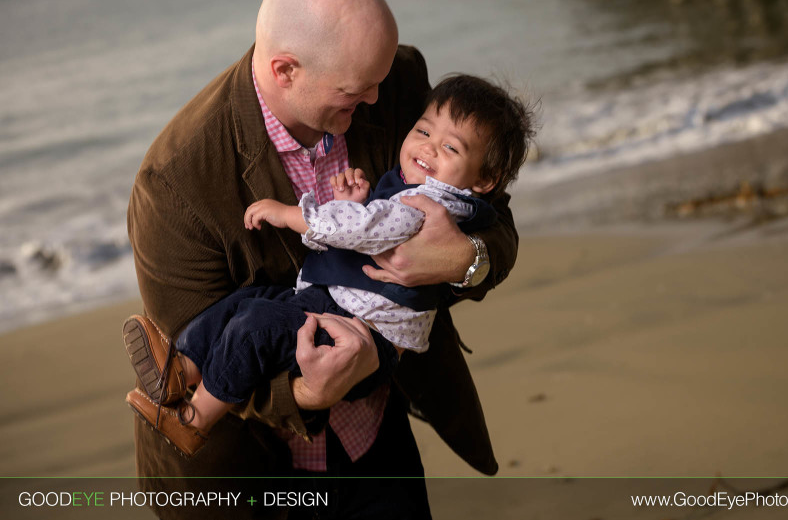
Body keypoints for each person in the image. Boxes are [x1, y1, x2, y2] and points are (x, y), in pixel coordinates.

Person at [125, 0, 520, 519]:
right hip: (253, 469)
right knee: (240, 326)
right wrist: (305, 395)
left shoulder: (392, 79)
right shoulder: (174, 181)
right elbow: (206, 338)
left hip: (376, 435)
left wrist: (465, 258)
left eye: (381, 81)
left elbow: (492, 212)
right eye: (358, 90)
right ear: (286, 69)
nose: (380, 101)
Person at [125, 75, 535, 458]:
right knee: (248, 302)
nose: (428, 148)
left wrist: (290, 215)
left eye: (451, 148)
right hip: (323, 323)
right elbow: (370, 225)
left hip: (357, 331)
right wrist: (356, 204)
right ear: (286, 70)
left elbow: (366, 228)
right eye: (424, 132)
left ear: (485, 181)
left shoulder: (428, 203)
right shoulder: (173, 176)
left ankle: (194, 419)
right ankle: (180, 367)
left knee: (257, 326)